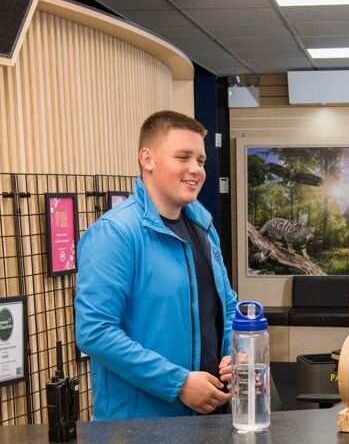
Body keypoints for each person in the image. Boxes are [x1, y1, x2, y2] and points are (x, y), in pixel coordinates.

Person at [76, 110, 238, 420]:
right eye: (183, 157)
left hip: (210, 418)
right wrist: (178, 384)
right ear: (147, 159)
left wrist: (234, 352)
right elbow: (95, 332)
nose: (196, 170)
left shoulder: (203, 227)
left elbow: (227, 305)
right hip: (139, 432)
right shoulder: (115, 234)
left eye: (201, 161)